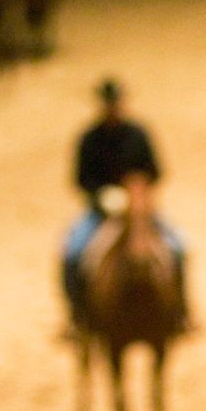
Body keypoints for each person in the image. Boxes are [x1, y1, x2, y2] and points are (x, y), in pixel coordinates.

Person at [60, 77, 191, 337]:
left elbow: (155, 171)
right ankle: (77, 317)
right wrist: (102, 196)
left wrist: (139, 193)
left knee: (178, 247)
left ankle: (181, 313)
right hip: (101, 212)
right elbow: (81, 179)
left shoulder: (138, 134)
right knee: (73, 252)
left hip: (140, 209)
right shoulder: (89, 138)